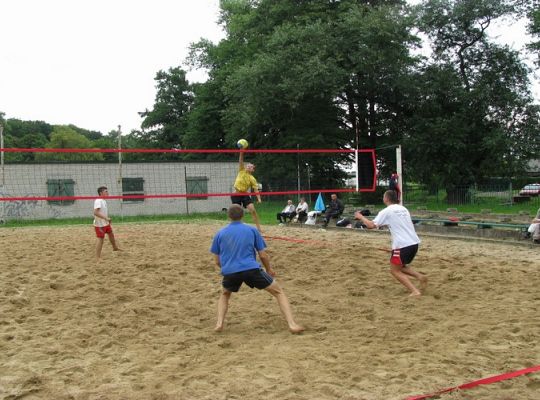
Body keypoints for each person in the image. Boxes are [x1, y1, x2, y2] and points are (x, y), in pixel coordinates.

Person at [210, 204, 304, 334]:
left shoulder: (220, 233)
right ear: (243, 215)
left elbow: (217, 261)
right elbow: (263, 255)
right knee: (278, 292)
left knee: (225, 294)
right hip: (251, 269)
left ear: (228, 216)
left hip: (230, 271)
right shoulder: (252, 230)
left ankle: (219, 324)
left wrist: (227, 268)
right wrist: (269, 269)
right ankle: (292, 324)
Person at [354, 190, 427, 297]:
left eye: (383, 196)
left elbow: (370, 225)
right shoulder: (403, 209)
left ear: (386, 198)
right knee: (399, 267)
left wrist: (360, 217)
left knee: (394, 271)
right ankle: (421, 277)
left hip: (402, 245)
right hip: (414, 243)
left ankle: (415, 291)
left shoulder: (387, 211)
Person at [231, 150, 262, 232]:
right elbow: (240, 160)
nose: (248, 167)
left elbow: (256, 190)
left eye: (250, 166)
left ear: (253, 170)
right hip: (236, 195)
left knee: (253, 210)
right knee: (237, 213)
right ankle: (238, 228)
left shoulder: (252, 179)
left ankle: (259, 228)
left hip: (245, 195)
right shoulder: (241, 170)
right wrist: (241, 151)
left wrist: (259, 199)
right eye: (247, 166)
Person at [93, 186, 121, 260]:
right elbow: (95, 212)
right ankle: (97, 257)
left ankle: (115, 248)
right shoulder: (98, 201)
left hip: (105, 223)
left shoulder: (103, 200)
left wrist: (107, 219)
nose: (107, 193)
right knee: (100, 239)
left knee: (111, 234)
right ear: (101, 193)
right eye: (106, 191)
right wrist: (106, 218)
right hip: (99, 225)